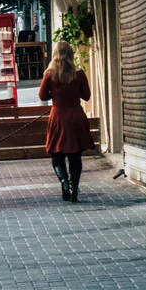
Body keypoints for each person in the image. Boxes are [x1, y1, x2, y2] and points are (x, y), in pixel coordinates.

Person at [38, 41, 94, 202]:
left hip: (58, 117)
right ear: (71, 54)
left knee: (57, 153)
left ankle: (64, 183)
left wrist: (55, 95)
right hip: (76, 116)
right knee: (75, 156)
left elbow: (42, 96)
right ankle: (74, 187)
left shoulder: (49, 74)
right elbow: (86, 96)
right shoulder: (79, 73)